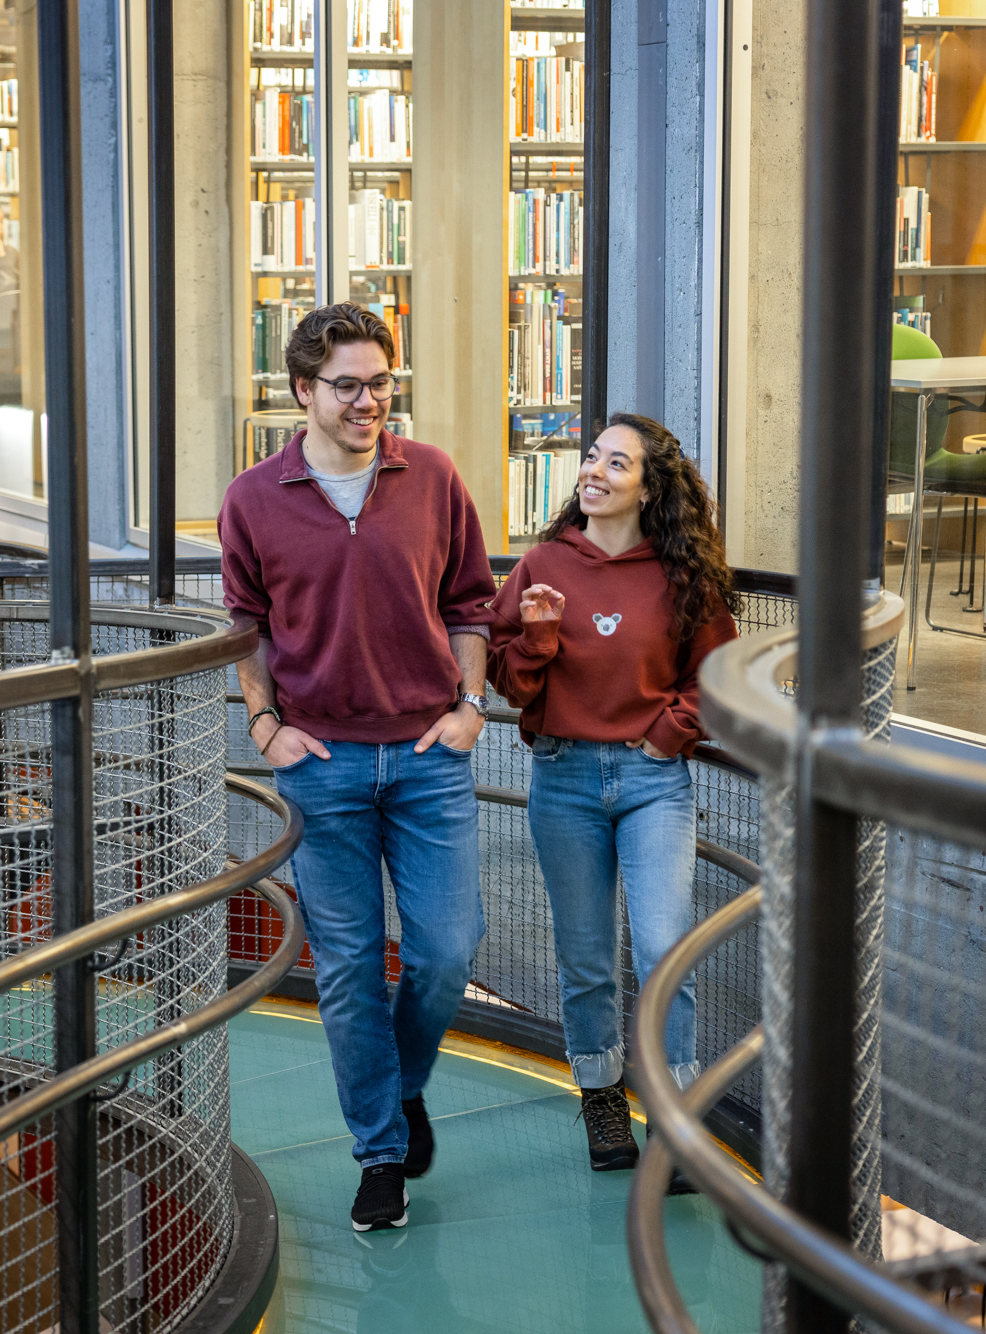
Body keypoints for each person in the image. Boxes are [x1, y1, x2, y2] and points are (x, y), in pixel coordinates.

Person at [220, 302, 496, 1232]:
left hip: (427, 756)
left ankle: (401, 1085)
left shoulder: (434, 478)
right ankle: (380, 1154)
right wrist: (264, 726)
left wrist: (470, 705)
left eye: (381, 382)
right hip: (319, 762)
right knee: (344, 968)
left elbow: (472, 602)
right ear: (302, 390)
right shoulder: (254, 498)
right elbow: (245, 626)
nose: (369, 401)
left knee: (446, 949)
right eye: (348, 385)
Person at [486, 412, 740, 1178]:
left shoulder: (681, 573)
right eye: (591, 456)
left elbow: (716, 679)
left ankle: (675, 1114)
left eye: (615, 463)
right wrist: (534, 642)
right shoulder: (541, 566)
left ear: (648, 487)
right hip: (561, 778)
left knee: (665, 951)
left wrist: (669, 733)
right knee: (587, 958)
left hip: (652, 784)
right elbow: (504, 677)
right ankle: (600, 1092)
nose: (593, 470)